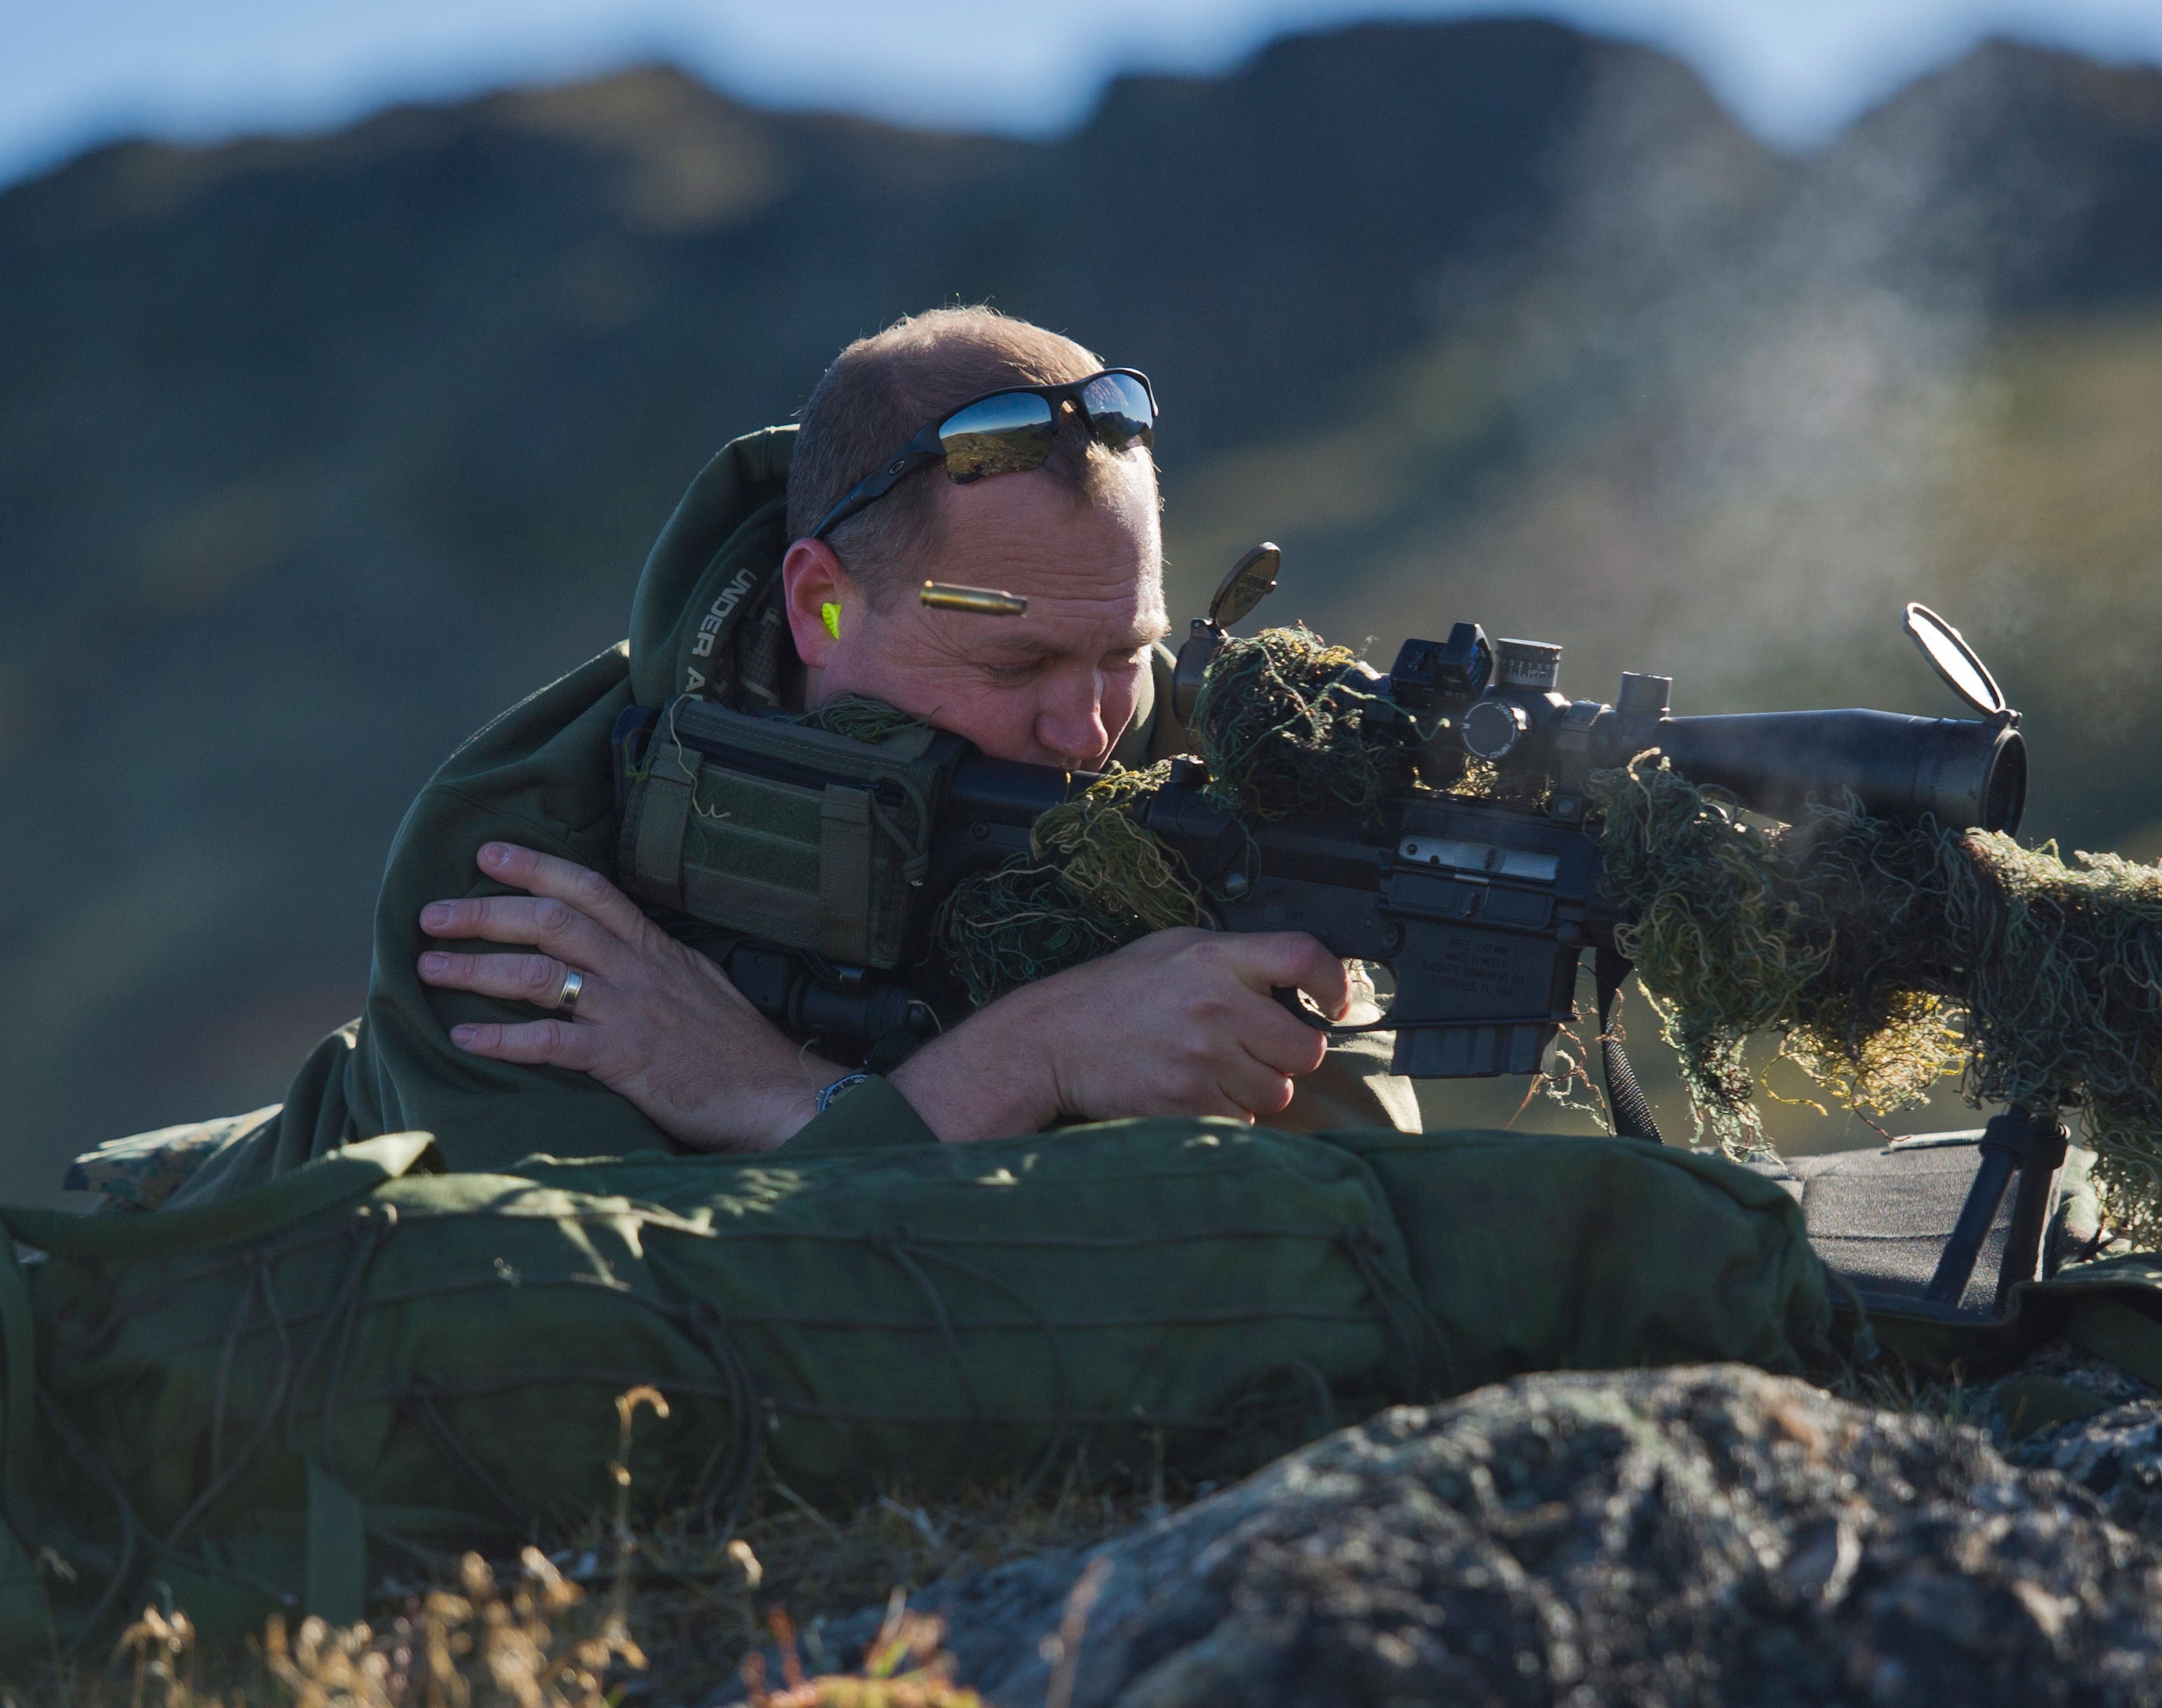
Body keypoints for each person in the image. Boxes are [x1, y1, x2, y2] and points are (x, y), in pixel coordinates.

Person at [164, 307, 1416, 1206]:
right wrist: (1020, 1064)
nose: (1089, 731)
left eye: (1123, 649)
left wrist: (772, 1101)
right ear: (820, 602)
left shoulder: (1213, 791)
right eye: (1015, 666)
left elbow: (1355, 1209)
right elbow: (617, 1363)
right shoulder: (537, 845)